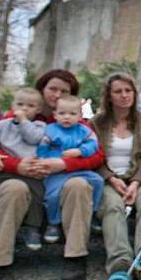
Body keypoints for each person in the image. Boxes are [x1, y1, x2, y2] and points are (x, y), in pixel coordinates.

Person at [0, 69, 104, 280]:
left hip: (60, 178)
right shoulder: (18, 116)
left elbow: (97, 155)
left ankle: (75, 255)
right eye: (52, 89)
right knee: (13, 189)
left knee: (78, 185)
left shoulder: (75, 121)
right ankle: (2, 261)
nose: (57, 95)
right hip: (23, 178)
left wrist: (65, 163)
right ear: (42, 90)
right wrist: (17, 165)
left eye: (63, 91)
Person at [91, 73, 141, 276]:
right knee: (113, 206)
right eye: (118, 91)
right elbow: (93, 158)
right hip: (108, 176)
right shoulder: (96, 123)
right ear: (109, 95)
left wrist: (136, 183)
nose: (124, 95)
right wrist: (111, 179)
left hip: (139, 176)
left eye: (128, 91)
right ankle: (120, 260)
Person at [36, 95, 104, 244]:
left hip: (77, 168)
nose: (67, 117)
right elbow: (42, 148)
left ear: (80, 115)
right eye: (62, 113)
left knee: (98, 181)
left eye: (72, 114)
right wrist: (43, 161)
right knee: (52, 195)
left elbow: (93, 144)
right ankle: (53, 222)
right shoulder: (50, 131)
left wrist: (81, 151)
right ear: (55, 115)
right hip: (56, 171)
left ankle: (92, 213)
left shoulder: (83, 130)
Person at [0, 88, 46, 250]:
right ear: (12, 105)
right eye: (20, 104)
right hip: (7, 170)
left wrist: (24, 121)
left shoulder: (39, 126)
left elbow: (33, 138)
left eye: (30, 106)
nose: (24, 109)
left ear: (38, 109)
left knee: (38, 192)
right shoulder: (3, 125)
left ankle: (32, 227)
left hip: (32, 169)